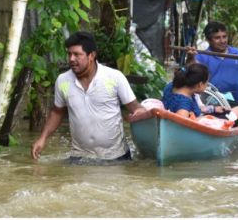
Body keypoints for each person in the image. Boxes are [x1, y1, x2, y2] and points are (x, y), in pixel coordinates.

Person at [31, 31, 150, 162]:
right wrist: (42, 138)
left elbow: (135, 107)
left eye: (77, 54)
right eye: (69, 54)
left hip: (116, 157)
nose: (71, 59)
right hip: (79, 157)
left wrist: (141, 114)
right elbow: (57, 112)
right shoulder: (63, 81)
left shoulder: (114, 77)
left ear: (91, 55)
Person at [186, 21, 238, 105]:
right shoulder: (201, 56)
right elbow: (191, 74)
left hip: (236, 102)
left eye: (224, 37)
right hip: (210, 102)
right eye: (217, 38)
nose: (222, 41)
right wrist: (190, 57)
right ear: (208, 40)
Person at [162, 63, 238, 126]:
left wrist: (212, 109)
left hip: (196, 116)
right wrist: (202, 119)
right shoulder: (184, 102)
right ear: (200, 84)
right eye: (206, 83)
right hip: (203, 125)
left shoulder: (171, 86)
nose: (207, 86)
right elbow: (180, 121)